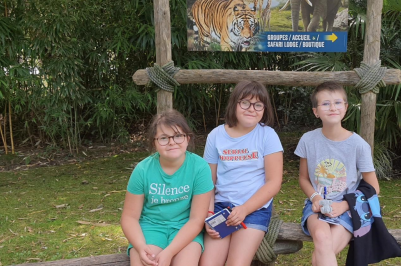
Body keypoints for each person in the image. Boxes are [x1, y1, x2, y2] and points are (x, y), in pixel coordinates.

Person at [295, 81, 380, 266]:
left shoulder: (358, 145)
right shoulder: (308, 140)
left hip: (349, 209)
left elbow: (374, 187)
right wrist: (315, 198)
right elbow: (303, 178)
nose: (332, 107)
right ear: (315, 111)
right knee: (322, 237)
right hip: (317, 206)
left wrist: (344, 206)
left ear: (346, 107)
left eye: (337, 103)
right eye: (325, 103)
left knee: (320, 258)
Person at [199, 81, 284, 266]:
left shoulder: (268, 135)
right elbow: (208, 183)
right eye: (245, 102)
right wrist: (209, 215)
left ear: (264, 109)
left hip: (254, 210)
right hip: (221, 208)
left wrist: (244, 209)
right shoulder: (216, 135)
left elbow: (274, 183)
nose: (251, 109)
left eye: (258, 105)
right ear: (234, 104)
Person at [121, 109, 213, 266]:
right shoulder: (142, 170)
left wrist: (169, 252)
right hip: (150, 228)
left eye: (178, 136)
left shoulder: (200, 167)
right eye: (164, 138)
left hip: (185, 229)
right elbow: (129, 218)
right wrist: (141, 247)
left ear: (187, 138)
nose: (172, 142)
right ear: (154, 142)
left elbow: (197, 220)